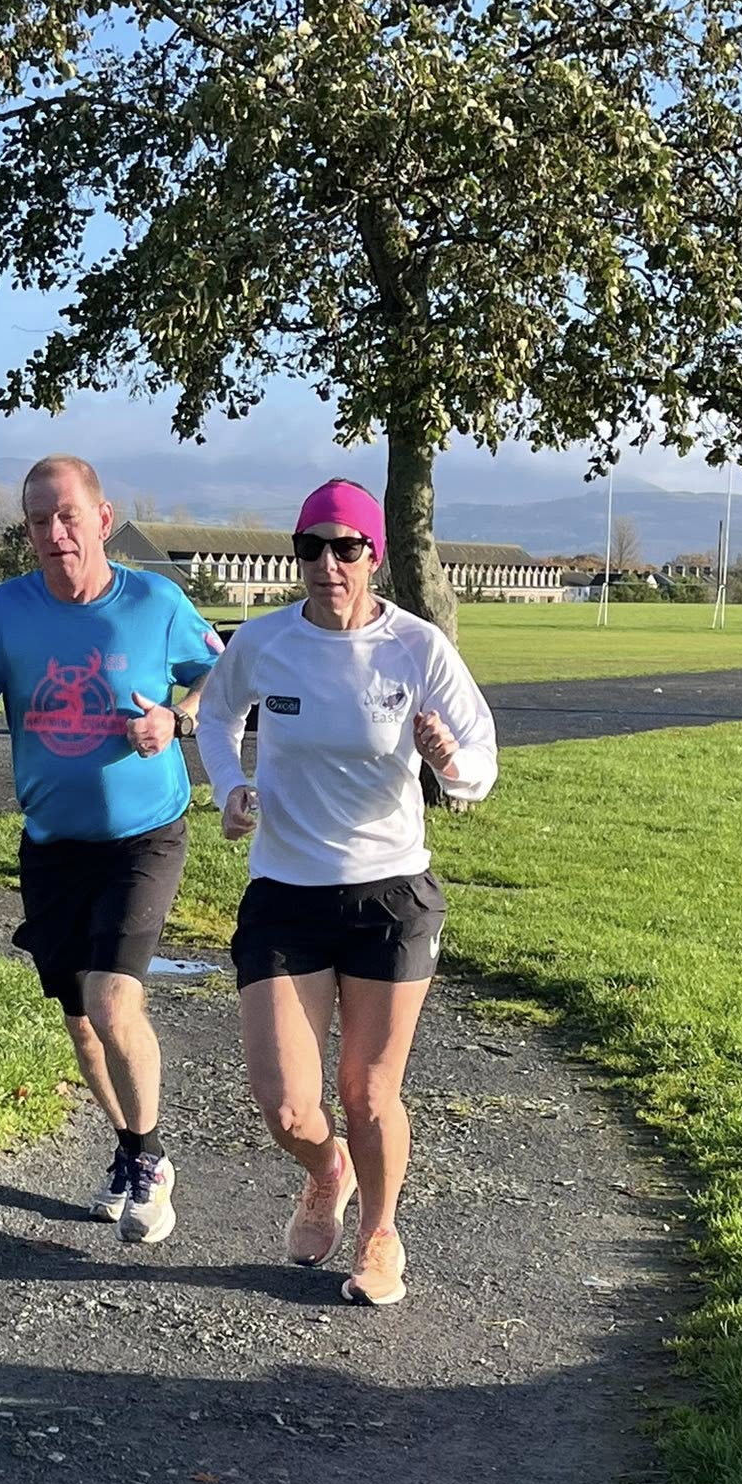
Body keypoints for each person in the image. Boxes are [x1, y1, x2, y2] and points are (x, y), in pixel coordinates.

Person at [197, 478, 497, 1305]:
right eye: (312, 548)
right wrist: (230, 788)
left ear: (374, 555)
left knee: (367, 1093)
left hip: (388, 897)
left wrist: (449, 763)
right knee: (288, 1107)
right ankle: (328, 1169)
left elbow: (480, 761)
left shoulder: (416, 647)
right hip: (285, 892)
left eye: (347, 548)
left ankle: (380, 1233)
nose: (328, 564)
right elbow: (217, 716)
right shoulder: (265, 642)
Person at [0, 454, 220, 1246]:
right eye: (38, 520)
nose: (54, 532)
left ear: (102, 519)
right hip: (52, 844)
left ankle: (151, 1161)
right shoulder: (8, 609)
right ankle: (130, 1147)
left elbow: (228, 676)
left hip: (144, 836)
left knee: (113, 999)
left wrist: (175, 718)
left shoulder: (153, 602)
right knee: (83, 1025)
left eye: (67, 515)